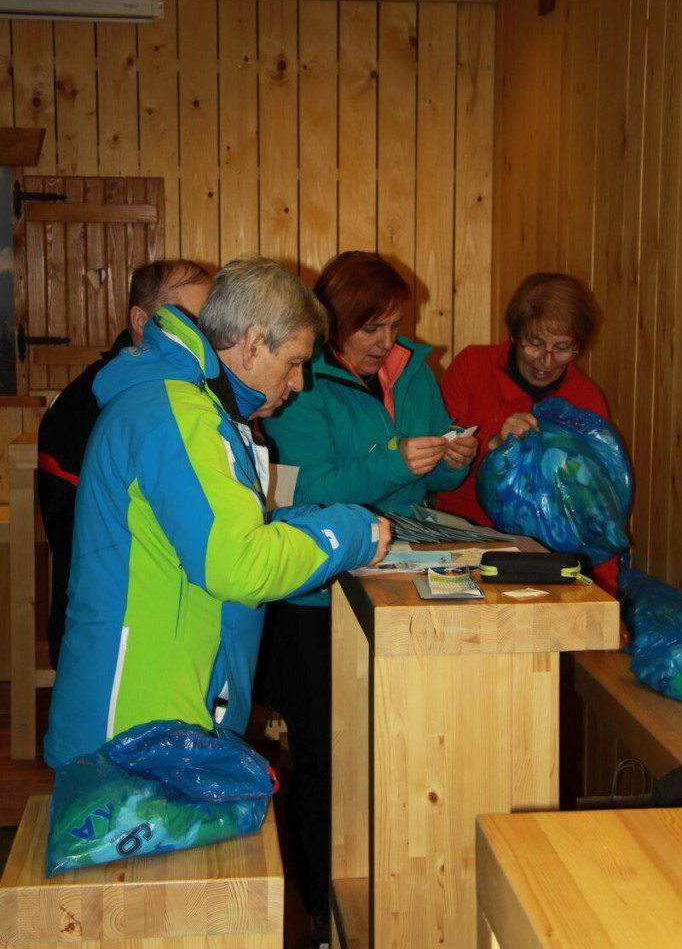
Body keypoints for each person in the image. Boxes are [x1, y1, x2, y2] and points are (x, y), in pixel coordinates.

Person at [43, 254, 392, 770]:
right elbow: (238, 565)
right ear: (252, 344)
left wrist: (308, 525)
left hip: (157, 715)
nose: (300, 381)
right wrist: (353, 532)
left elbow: (215, 535)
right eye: (294, 361)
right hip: (137, 730)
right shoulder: (179, 417)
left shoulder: (193, 406)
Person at [258, 250, 477, 947]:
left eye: (394, 325)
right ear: (333, 324)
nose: (387, 342)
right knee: (328, 763)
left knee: (406, 752)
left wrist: (454, 457)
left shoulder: (413, 369)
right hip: (317, 601)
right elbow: (310, 492)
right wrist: (393, 459)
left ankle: (400, 901)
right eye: (371, 328)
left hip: (400, 580)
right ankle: (324, 913)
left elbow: (432, 471)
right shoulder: (300, 383)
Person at [37, 258, 214, 668]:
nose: (202, 334)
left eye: (206, 321)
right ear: (140, 320)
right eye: (188, 319)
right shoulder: (80, 406)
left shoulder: (200, 392)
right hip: (107, 629)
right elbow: (72, 533)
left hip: (177, 623)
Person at [437, 271, 619, 592]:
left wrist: (606, 597)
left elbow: (594, 511)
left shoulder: (586, 402)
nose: (546, 361)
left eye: (562, 347)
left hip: (551, 558)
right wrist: (493, 446)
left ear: (578, 346)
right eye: (534, 344)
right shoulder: (473, 367)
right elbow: (437, 467)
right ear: (513, 334)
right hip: (466, 542)